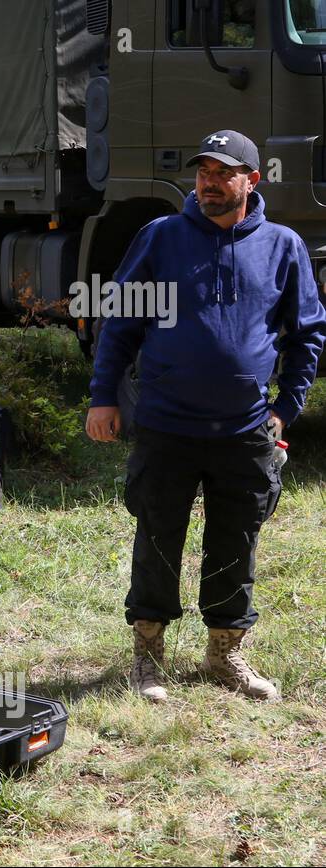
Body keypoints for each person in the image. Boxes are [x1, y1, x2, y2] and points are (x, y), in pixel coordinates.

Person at [88, 129, 325, 704]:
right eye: (203, 172)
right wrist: (103, 396)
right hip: (167, 423)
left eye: (223, 172)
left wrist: (285, 410)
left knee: (234, 540)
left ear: (251, 180)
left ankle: (225, 654)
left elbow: (308, 333)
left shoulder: (282, 246)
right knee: (158, 537)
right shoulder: (162, 238)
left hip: (245, 430)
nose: (209, 182)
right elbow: (118, 320)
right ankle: (147, 658)